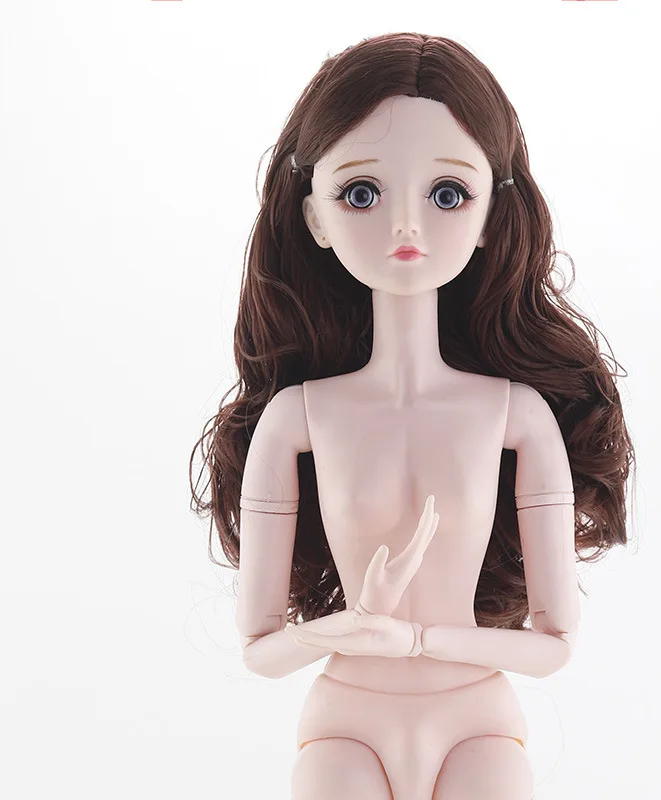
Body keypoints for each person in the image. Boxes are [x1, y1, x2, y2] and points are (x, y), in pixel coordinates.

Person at [190, 32, 635, 800]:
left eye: (447, 193)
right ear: (315, 218)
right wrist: (353, 627)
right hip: (346, 721)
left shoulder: (516, 415)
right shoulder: (297, 420)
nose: (405, 225)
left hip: (476, 719)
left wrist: (420, 639)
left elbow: (556, 642)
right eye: (362, 193)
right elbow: (260, 646)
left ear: (492, 215)